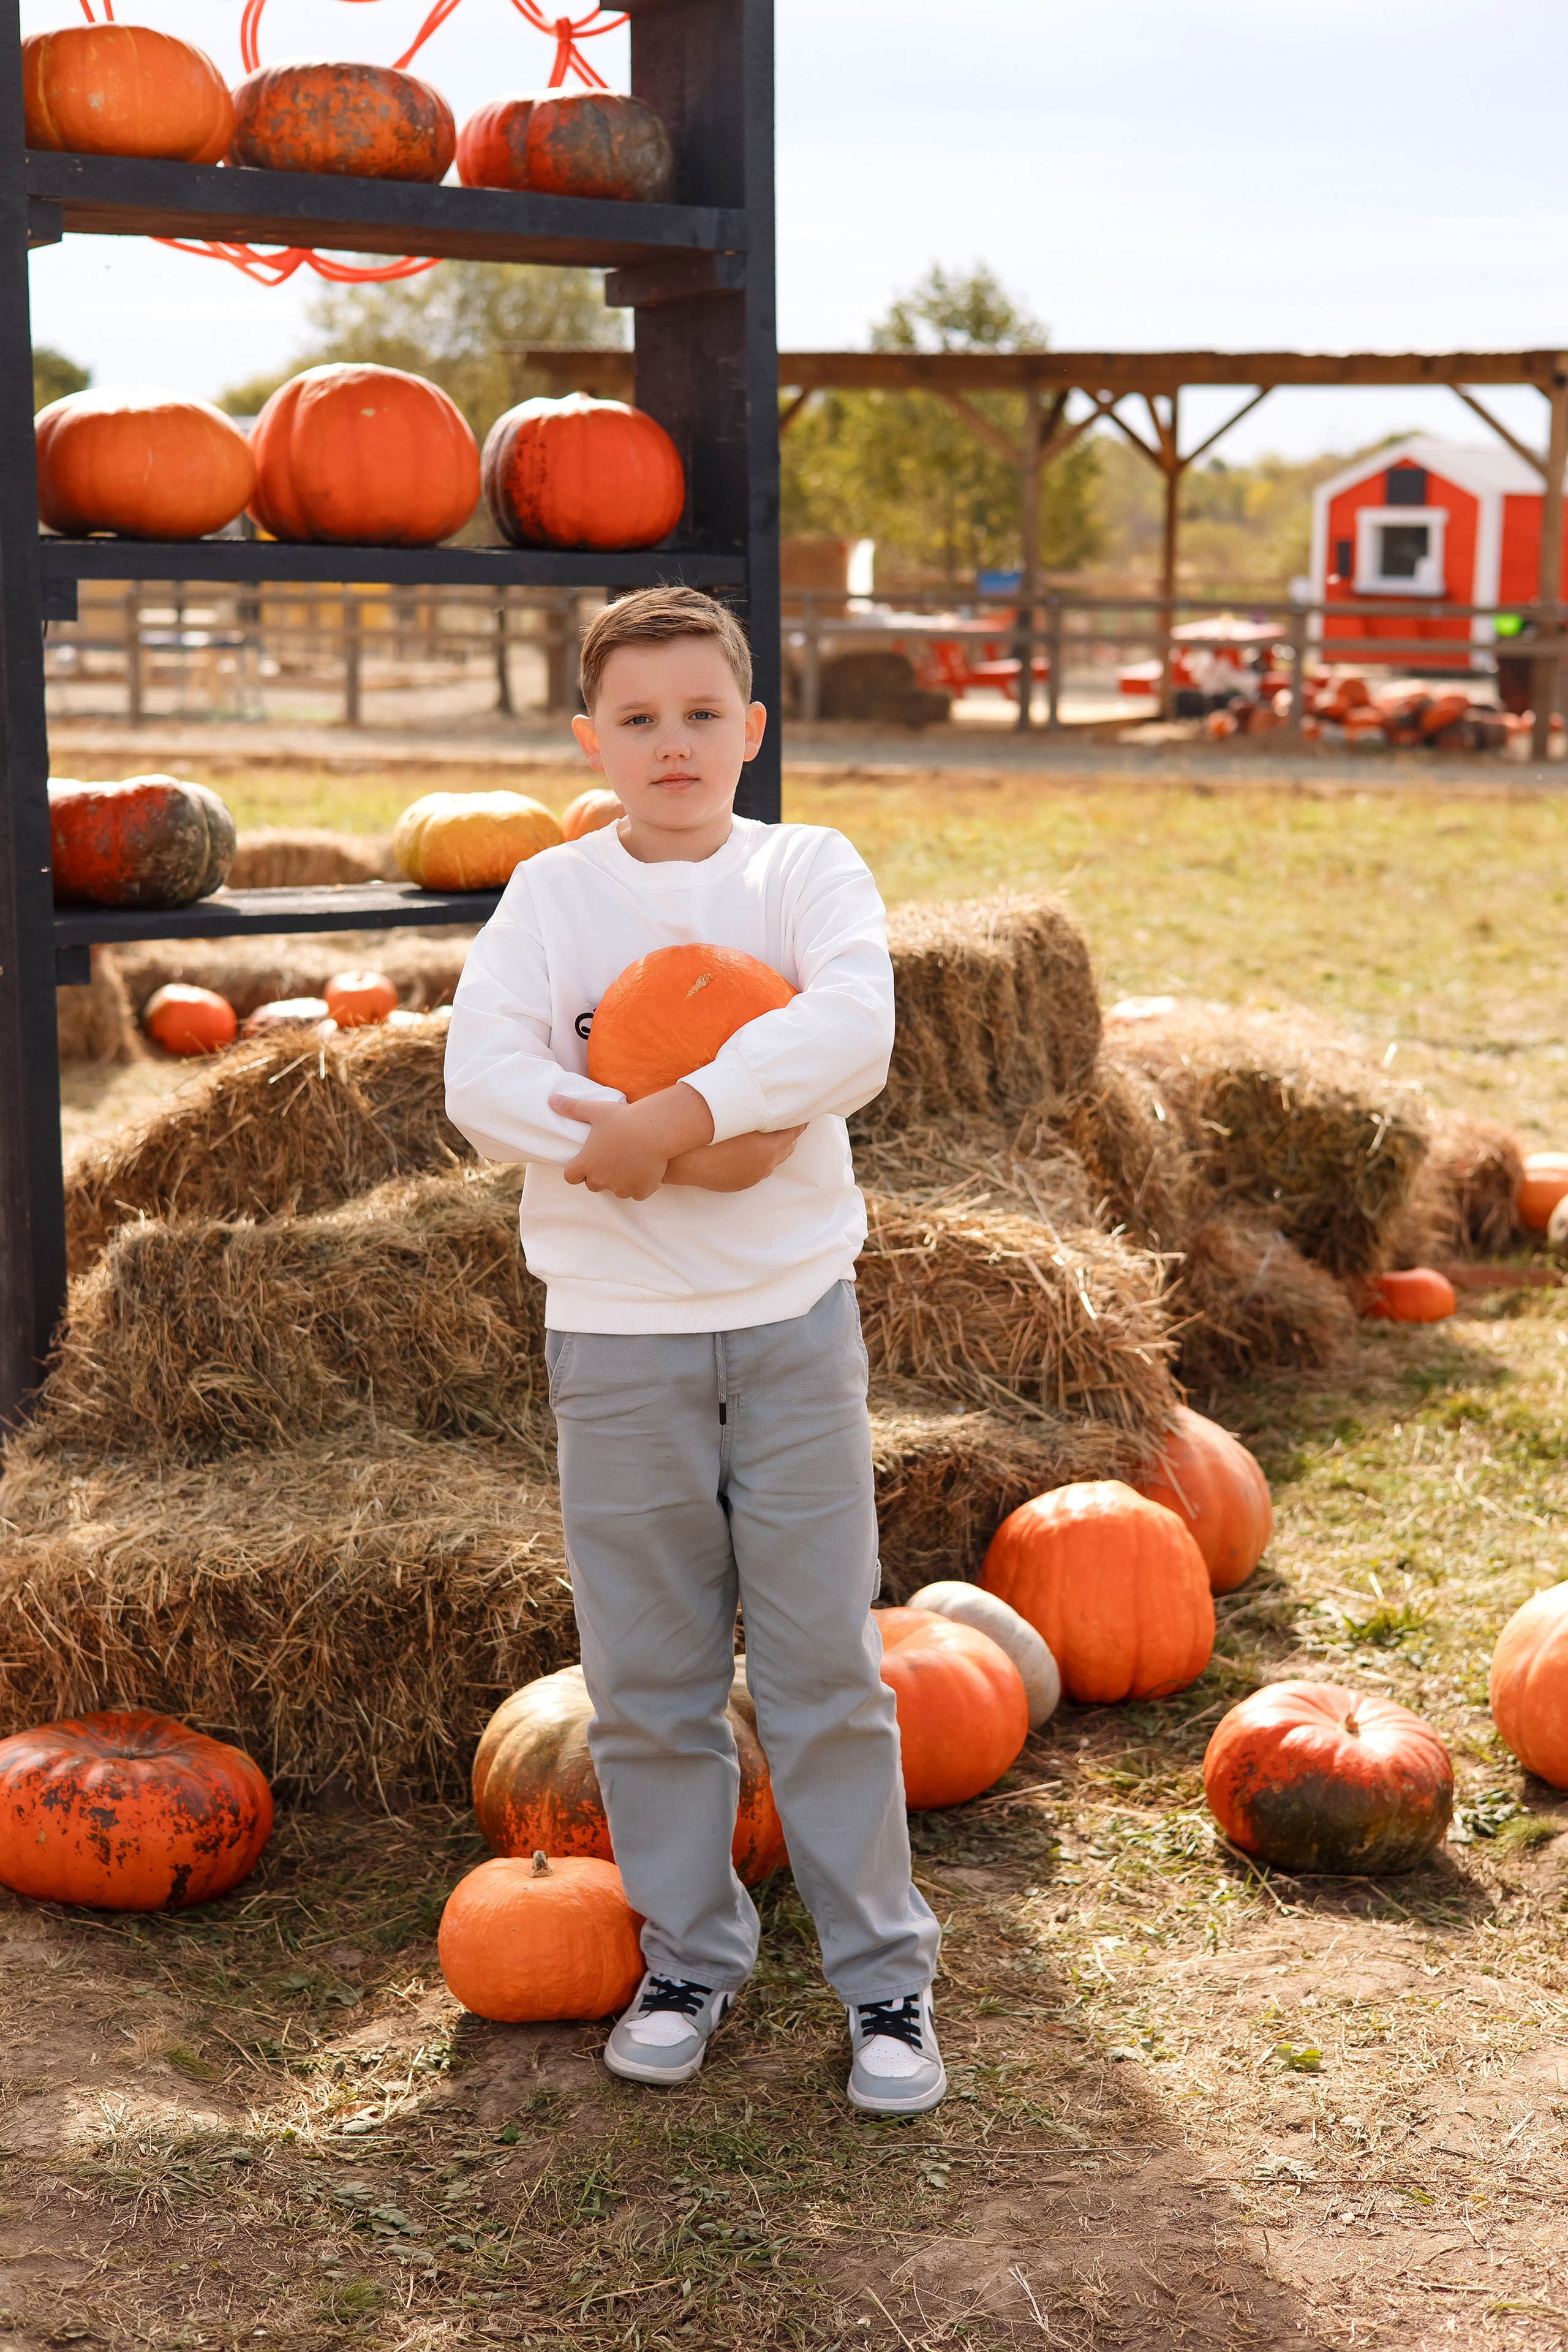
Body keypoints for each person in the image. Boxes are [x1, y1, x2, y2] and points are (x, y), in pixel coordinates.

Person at [444, 584, 943, 2114]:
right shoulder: (550, 895)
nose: (673, 745)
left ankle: (883, 1982)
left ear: (752, 729)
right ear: (591, 738)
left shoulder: (802, 870)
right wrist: (667, 1142)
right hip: (617, 1338)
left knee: (820, 1669)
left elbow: (851, 1026)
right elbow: (484, 1075)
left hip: (791, 1325)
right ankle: (686, 1957)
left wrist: (692, 1111)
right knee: (650, 1674)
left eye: (701, 715)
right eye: (639, 720)